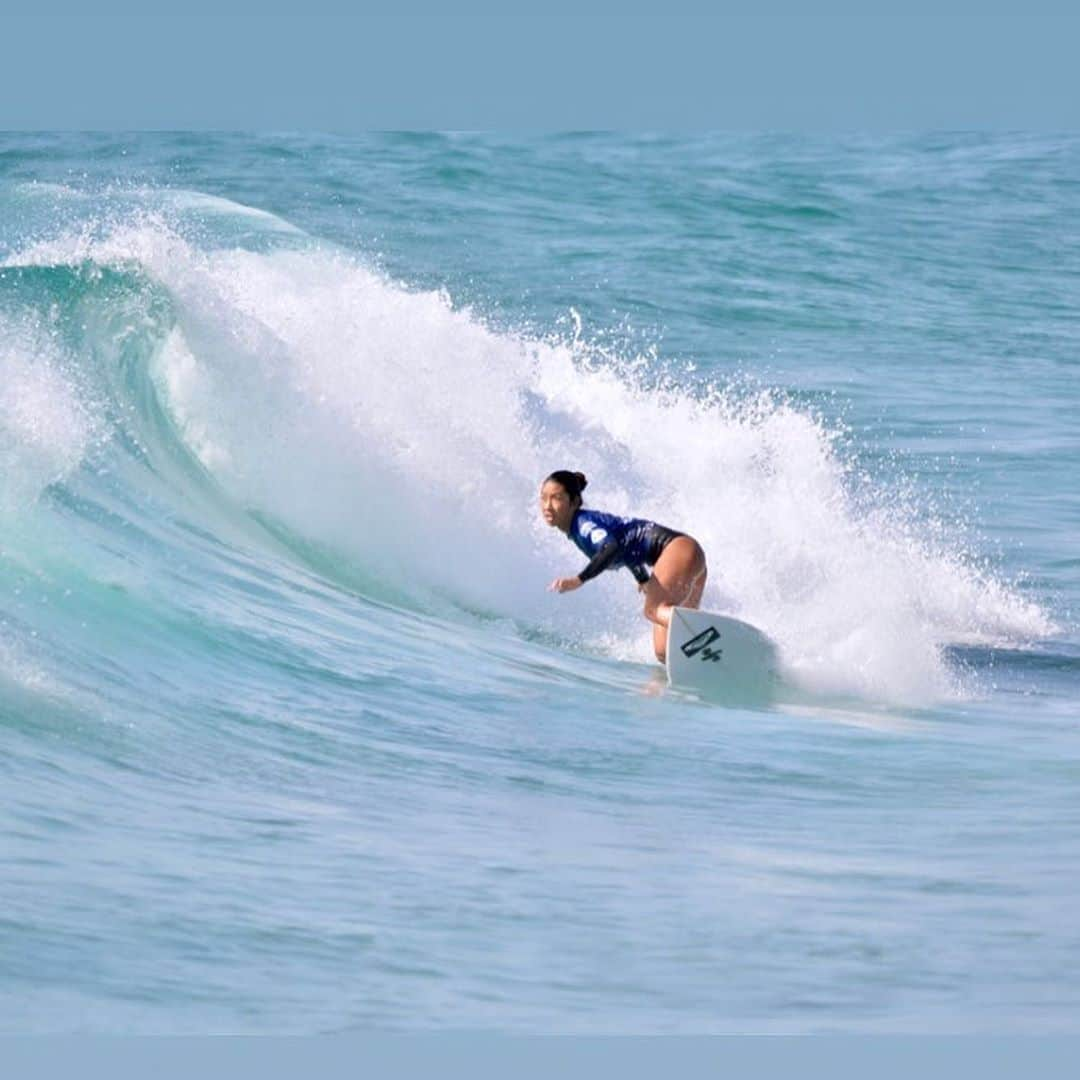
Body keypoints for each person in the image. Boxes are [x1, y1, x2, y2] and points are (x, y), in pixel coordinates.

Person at [540, 470, 707, 663]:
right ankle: (709, 653)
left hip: (678, 550)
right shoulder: (580, 528)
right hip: (690, 557)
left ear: (575, 502)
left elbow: (611, 548)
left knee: (653, 610)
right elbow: (628, 547)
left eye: (556, 498)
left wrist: (579, 579)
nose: (547, 506)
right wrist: (642, 578)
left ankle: (708, 633)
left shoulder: (583, 525)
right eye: (543, 498)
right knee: (664, 652)